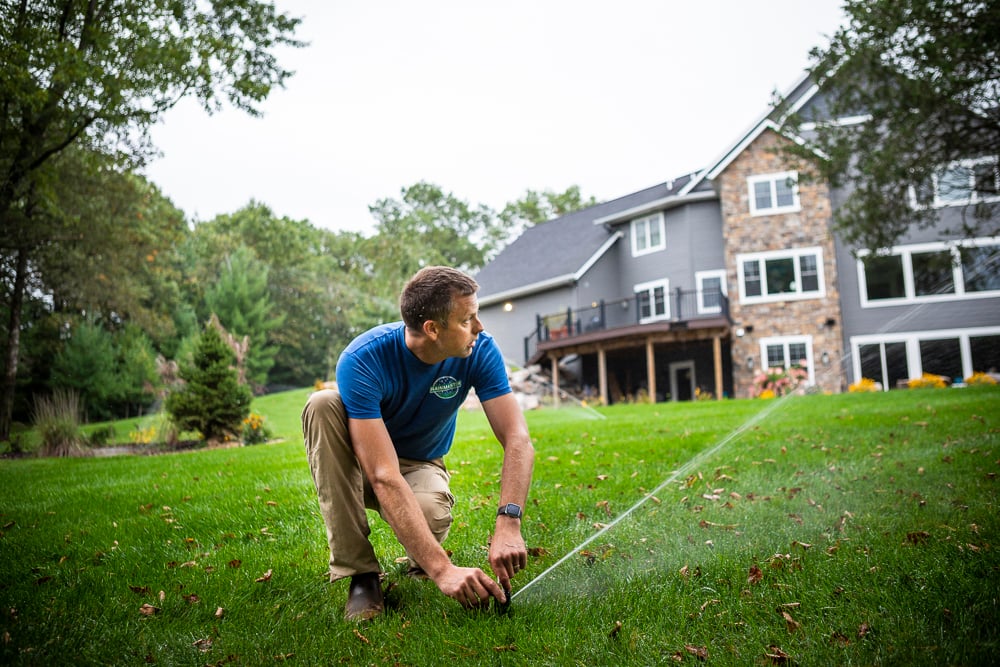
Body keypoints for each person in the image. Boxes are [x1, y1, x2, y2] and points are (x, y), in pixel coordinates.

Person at [302, 266, 535, 621]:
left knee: (429, 514)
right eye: (467, 319)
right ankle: (361, 575)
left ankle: (419, 562)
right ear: (433, 329)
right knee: (321, 404)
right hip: (361, 463)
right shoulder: (364, 358)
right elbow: (382, 474)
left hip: (420, 463)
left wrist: (509, 522)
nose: (480, 327)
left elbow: (517, 438)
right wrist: (444, 571)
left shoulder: (479, 351)